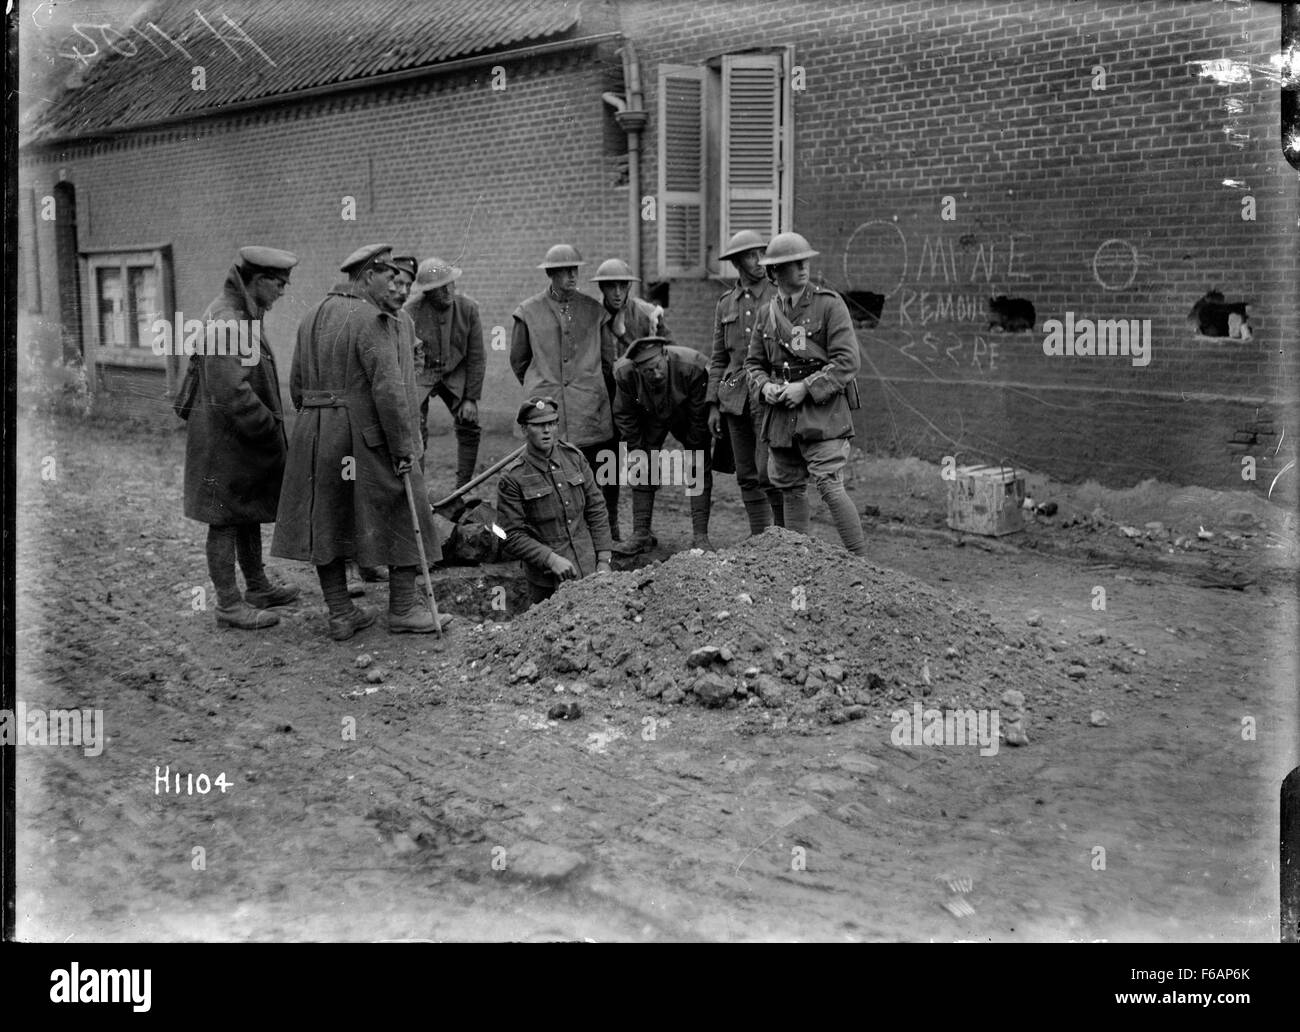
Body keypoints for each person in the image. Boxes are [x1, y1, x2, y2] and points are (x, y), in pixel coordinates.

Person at [271, 243, 452, 639]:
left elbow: (297, 387)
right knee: (407, 507)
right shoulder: (372, 319)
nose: (394, 285)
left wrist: (320, 420)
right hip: (360, 435)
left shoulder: (312, 315)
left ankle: (340, 614)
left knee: (327, 520)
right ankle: (403, 609)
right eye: (388, 276)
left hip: (313, 435)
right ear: (367, 275)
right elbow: (388, 390)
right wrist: (405, 448)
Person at [182, 245, 301, 630]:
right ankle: (229, 605)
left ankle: (257, 586)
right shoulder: (228, 321)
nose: (283, 290)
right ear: (258, 280)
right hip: (227, 443)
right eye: (279, 283)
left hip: (236, 441)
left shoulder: (241, 313)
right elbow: (232, 393)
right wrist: (269, 427)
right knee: (225, 520)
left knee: (244, 512)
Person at [744, 231, 867, 556]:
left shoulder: (829, 304)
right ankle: (799, 563)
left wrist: (806, 388)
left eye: (804, 261)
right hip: (782, 415)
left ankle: (863, 564)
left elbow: (847, 362)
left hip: (823, 413)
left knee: (829, 484)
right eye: (792, 264)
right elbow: (753, 364)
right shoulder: (766, 313)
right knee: (790, 487)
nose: (802, 268)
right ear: (774, 273)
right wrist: (766, 387)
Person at [510, 244, 621, 539]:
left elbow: (609, 363)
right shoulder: (528, 312)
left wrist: (590, 388)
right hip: (549, 406)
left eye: (575, 270)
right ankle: (558, 533)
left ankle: (608, 529)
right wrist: (544, 384)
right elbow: (519, 361)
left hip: (590, 406)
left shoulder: (595, 311)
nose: (572, 276)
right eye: (565, 271)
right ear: (551, 273)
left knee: (599, 469)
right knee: (550, 470)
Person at [495, 396, 613, 606]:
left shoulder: (574, 458)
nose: (547, 430)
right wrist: (550, 559)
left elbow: (596, 508)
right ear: (524, 429)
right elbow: (510, 535)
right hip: (546, 581)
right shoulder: (513, 477)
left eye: (551, 423)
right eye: (539, 425)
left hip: (590, 569)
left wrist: (604, 559)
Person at [707, 229, 784, 535]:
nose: (759, 261)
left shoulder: (778, 295)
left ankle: (782, 537)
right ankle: (759, 536)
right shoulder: (726, 303)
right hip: (734, 399)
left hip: (768, 393)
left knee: (771, 471)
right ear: (737, 262)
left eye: (762, 254)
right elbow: (717, 358)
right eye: (752, 256)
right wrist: (712, 404)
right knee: (747, 474)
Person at [612, 336, 714, 554]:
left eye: (658, 367)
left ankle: (700, 537)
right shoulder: (625, 374)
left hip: (685, 412)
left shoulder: (692, 366)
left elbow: (699, 414)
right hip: (648, 415)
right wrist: (636, 450)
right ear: (638, 369)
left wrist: (696, 445)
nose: (656, 374)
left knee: (697, 463)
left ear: (665, 356)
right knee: (640, 462)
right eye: (648, 371)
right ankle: (641, 534)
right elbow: (625, 415)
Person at [404, 256, 484, 487]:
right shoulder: (410, 312)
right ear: (427, 292)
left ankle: (463, 487)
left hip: (453, 373)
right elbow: (407, 358)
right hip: (422, 374)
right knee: (414, 428)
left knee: (470, 423)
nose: (448, 291)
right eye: (439, 289)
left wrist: (470, 398)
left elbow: (477, 356)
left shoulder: (468, 308)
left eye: (450, 284)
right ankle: (417, 487)